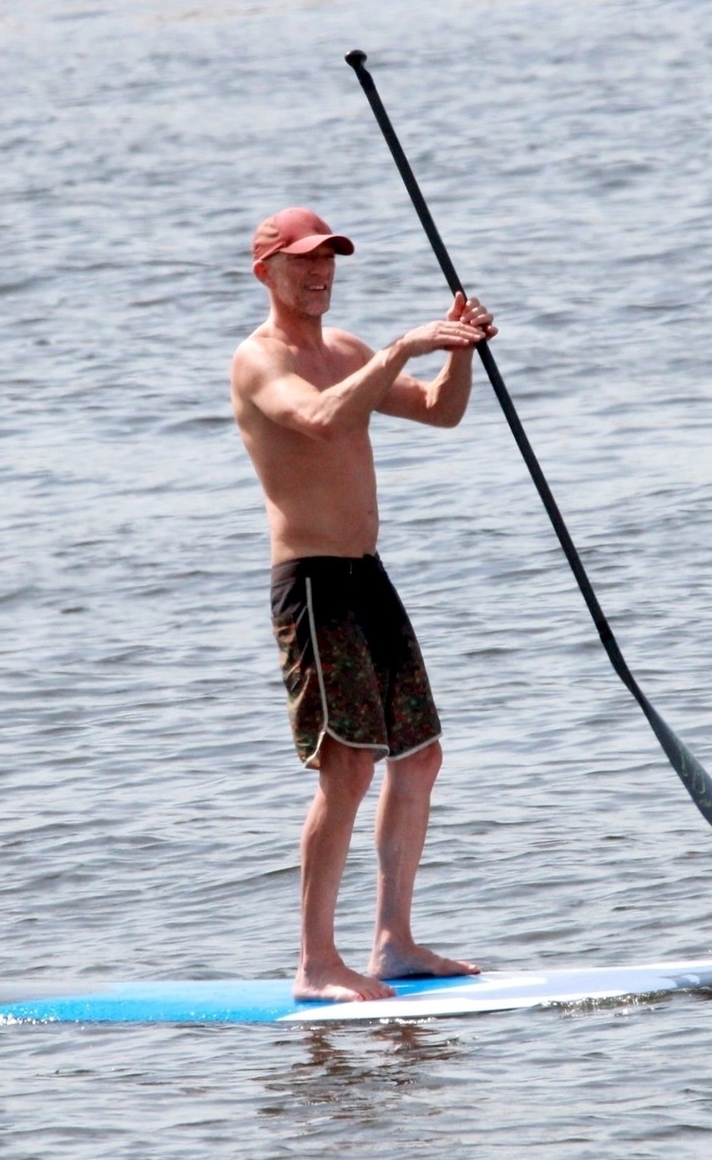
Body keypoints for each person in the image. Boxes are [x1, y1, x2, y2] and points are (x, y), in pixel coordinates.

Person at [230, 206, 496, 1002]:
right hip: (312, 584)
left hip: (368, 575)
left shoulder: (345, 351)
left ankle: (394, 944)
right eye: (303, 261)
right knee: (346, 765)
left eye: (329, 259)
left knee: (419, 754)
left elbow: (440, 411)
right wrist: (404, 348)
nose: (320, 273)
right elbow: (319, 418)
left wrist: (459, 349)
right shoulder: (258, 360)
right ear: (267, 272)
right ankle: (316, 962)